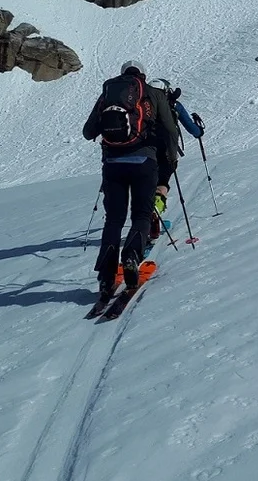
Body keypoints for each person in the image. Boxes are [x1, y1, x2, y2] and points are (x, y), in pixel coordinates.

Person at [83, 61, 179, 301]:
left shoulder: (108, 95)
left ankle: (106, 276)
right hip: (144, 163)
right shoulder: (154, 94)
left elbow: (88, 132)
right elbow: (169, 128)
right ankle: (131, 257)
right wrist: (170, 157)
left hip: (113, 165)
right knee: (141, 215)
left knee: (114, 219)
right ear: (143, 75)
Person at [145, 78, 204, 241]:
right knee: (162, 182)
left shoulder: (143, 106)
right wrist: (199, 131)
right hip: (167, 151)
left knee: (146, 184)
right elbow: (192, 128)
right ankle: (156, 208)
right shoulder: (174, 105)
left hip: (144, 151)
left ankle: (146, 216)